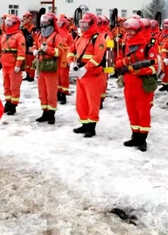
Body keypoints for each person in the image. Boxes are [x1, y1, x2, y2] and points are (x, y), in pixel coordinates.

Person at [115, 18, 158, 151]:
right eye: (127, 31)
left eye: (132, 31)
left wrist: (138, 70)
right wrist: (125, 62)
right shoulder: (125, 46)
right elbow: (117, 62)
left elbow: (154, 67)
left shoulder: (148, 47)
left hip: (142, 85)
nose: (129, 33)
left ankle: (142, 139)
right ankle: (135, 136)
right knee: (132, 112)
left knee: (143, 113)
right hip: (129, 84)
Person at [67, 12, 107, 138]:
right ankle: (84, 124)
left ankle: (91, 127)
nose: (83, 26)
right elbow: (71, 50)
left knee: (92, 102)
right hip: (81, 74)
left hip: (92, 75)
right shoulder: (80, 37)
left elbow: (97, 57)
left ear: (92, 24)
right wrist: (71, 62)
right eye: (82, 23)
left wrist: (86, 68)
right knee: (81, 102)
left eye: (85, 23)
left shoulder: (98, 38)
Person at [33, 13, 63, 124]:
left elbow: (60, 52)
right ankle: (44, 112)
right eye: (43, 20)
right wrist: (35, 50)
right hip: (41, 66)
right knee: (42, 91)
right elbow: (35, 45)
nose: (44, 23)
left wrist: (48, 50)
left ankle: (51, 114)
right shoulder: (40, 35)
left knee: (51, 91)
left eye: (46, 21)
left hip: (51, 66)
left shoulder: (56, 36)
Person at [0, 15, 27, 115]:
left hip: (14, 66)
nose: (8, 24)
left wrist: (18, 65)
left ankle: (13, 105)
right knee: (6, 85)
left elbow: (21, 52)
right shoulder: (3, 35)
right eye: (7, 22)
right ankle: (8, 102)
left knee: (14, 86)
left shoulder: (19, 36)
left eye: (10, 22)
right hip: (5, 65)